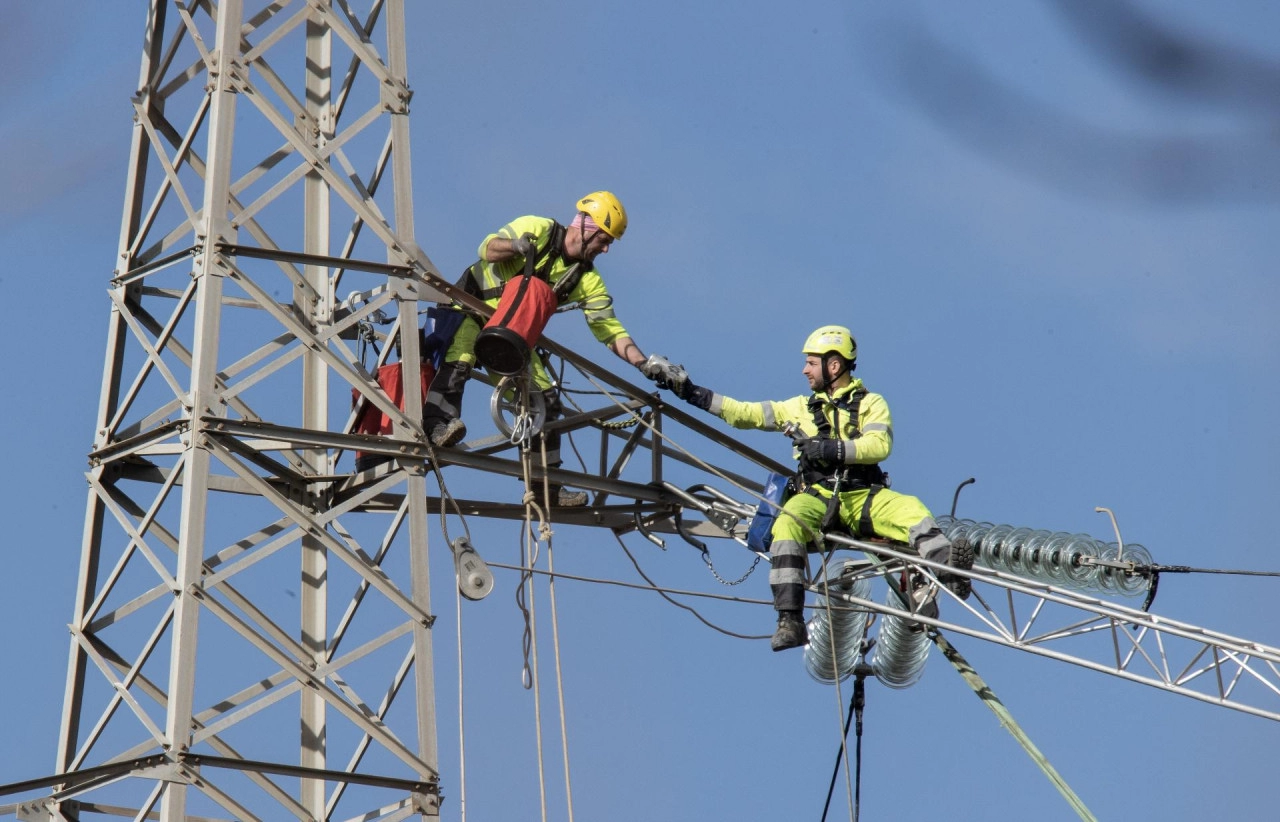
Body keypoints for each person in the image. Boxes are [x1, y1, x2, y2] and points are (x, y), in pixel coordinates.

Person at [672, 325, 974, 651]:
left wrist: (832, 449)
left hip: (862, 496)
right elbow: (743, 413)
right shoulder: (798, 408)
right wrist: (690, 392)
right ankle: (790, 620)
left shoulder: (871, 403)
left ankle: (949, 571)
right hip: (816, 498)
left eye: (811, 363)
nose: (804, 370)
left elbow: (879, 444)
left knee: (911, 510)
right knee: (788, 521)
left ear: (834, 365)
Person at [424, 191, 672, 506]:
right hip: (471, 309)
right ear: (585, 227)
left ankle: (545, 489)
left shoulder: (587, 279)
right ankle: (436, 428)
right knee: (458, 362)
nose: (606, 249)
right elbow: (486, 248)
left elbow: (608, 328)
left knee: (543, 399)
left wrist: (641, 363)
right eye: (603, 239)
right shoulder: (538, 228)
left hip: (512, 334)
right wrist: (516, 247)